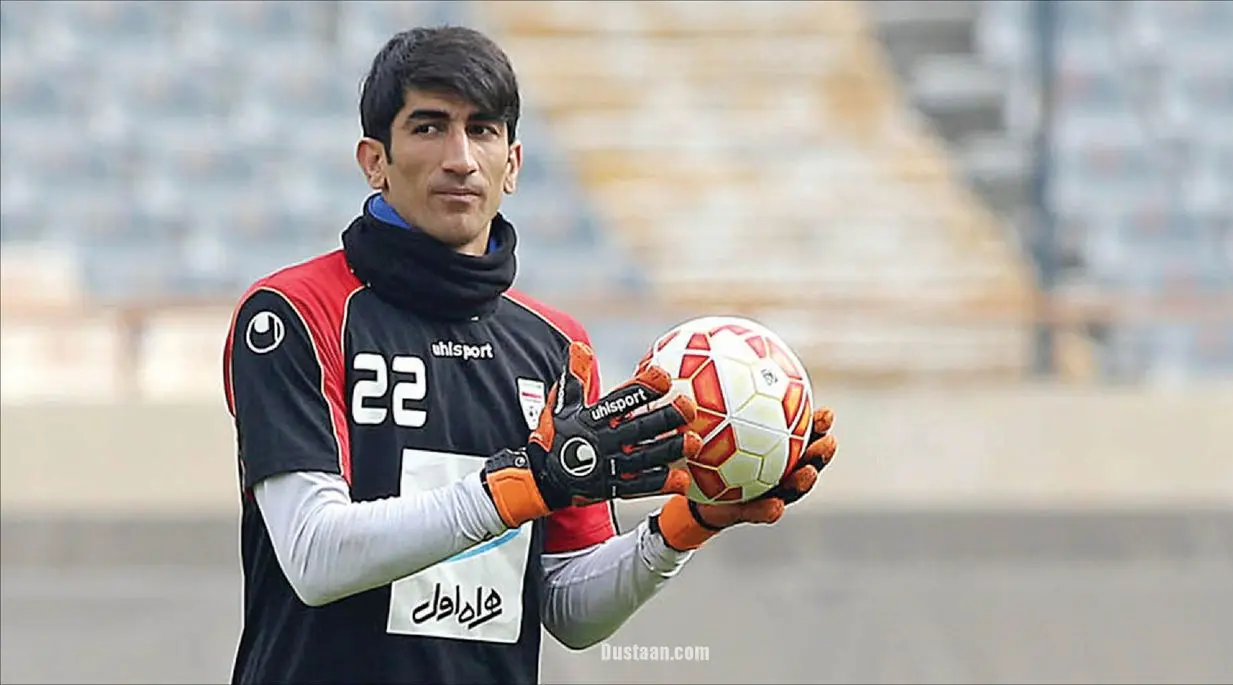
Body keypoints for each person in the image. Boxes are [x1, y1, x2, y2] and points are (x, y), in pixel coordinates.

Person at [222, 25, 839, 685]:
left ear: (512, 164)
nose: (460, 159)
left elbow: (571, 607)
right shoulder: (293, 313)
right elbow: (315, 556)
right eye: (429, 128)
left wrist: (687, 525)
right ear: (375, 161)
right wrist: (523, 486)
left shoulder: (557, 346)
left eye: (482, 131)